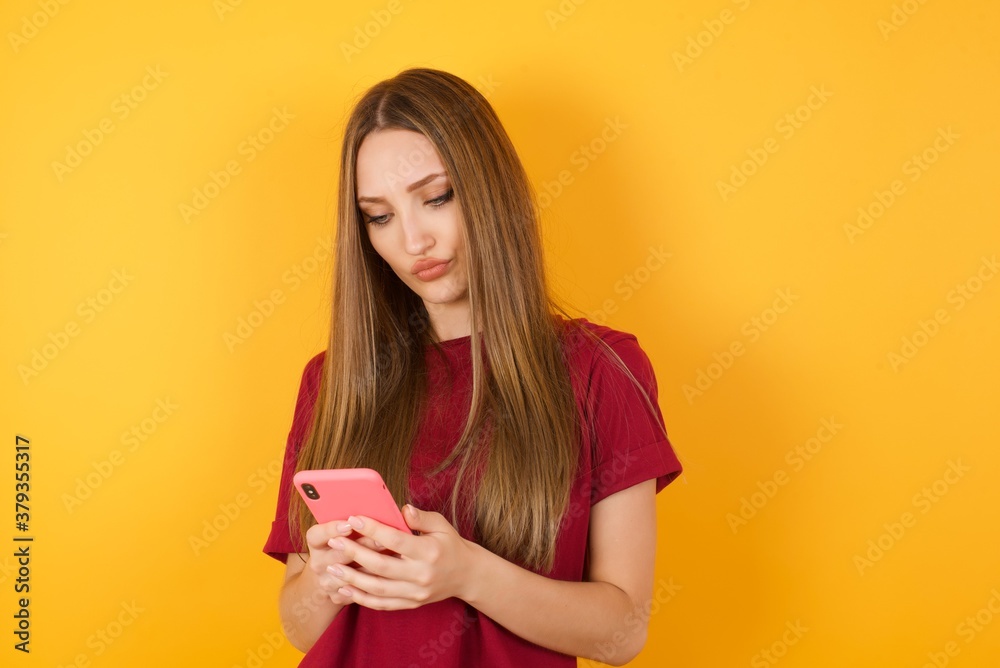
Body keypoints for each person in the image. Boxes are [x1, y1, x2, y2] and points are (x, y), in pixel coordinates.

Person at [262, 67, 683, 667]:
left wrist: (468, 575)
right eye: (378, 216)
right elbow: (300, 629)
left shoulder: (601, 369)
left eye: (436, 198)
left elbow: (622, 634)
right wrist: (327, 578)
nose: (413, 240)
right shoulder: (331, 381)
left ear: (491, 191)